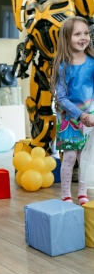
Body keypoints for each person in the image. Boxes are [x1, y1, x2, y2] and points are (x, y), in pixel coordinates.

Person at [50, 16, 94, 206]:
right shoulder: (63, 65)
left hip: (90, 118)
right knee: (69, 157)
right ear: (67, 38)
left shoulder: (92, 61)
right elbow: (61, 98)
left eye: (86, 33)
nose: (83, 37)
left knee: (84, 157)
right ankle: (66, 193)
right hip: (70, 118)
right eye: (78, 34)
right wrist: (80, 115)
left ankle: (82, 192)